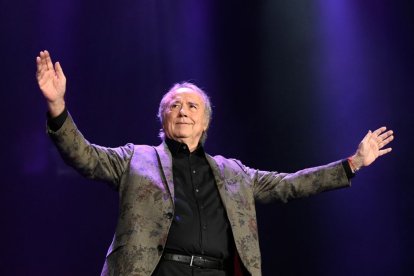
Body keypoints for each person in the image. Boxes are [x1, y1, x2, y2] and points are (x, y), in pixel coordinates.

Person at [36, 50, 394, 276]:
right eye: (174, 106)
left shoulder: (234, 173)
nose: (183, 111)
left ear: (205, 122)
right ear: (162, 119)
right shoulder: (135, 159)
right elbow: (83, 156)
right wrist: (57, 107)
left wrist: (351, 164)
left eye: (193, 106)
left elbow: (290, 184)